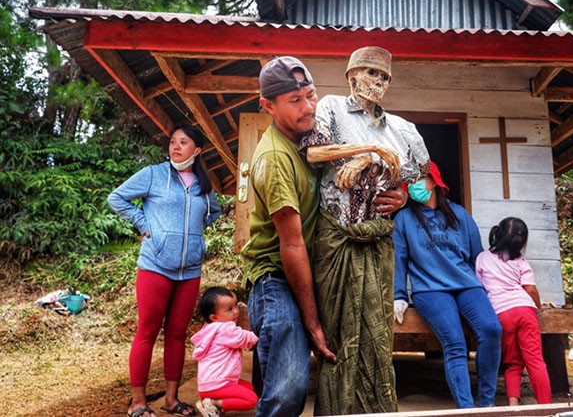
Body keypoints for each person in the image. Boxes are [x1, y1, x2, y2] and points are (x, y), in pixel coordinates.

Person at [240, 56, 407, 417]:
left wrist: (400, 194)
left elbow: (372, 180)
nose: (309, 106)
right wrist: (312, 323)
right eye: (295, 100)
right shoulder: (274, 159)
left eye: (311, 94)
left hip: (323, 265)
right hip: (277, 277)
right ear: (267, 106)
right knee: (289, 388)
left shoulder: (317, 136)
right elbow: (291, 244)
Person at [300, 45, 430, 415]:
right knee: (339, 335)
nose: (380, 82)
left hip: (377, 241)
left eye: (386, 76)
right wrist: (368, 150)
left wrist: (404, 196)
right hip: (338, 238)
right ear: (352, 74)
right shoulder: (332, 108)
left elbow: (422, 178)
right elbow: (313, 153)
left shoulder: (403, 129)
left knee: (376, 336)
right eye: (372, 73)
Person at [108, 125, 221, 417]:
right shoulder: (153, 175)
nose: (176, 147)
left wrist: (195, 236)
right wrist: (146, 227)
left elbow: (214, 211)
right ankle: (138, 402)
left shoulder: (202, 184)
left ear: (197, 151)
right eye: (173, 142)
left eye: (184, 142)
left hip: (190, 270)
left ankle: (171, 399)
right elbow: (117, 198)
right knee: (147, 331)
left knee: (177, 334)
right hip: (155, 265)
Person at [393, 162, 502, 409]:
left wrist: (491, 289)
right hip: (430, 290)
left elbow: (478, 256)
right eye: (409, 182)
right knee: (454, 342)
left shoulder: (459, 214)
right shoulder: (404, 219)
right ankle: (466, 409)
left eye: (418, 180)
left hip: (467, 285)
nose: (413, 186)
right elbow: (398, 258)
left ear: (433, 182)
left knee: (491, 329)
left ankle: (487, 405)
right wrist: (398, 294)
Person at [475, 217, 552, 405]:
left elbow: (480, 288)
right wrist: (539, 306)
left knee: (512, 362)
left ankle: (513, 404)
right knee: (535, 361)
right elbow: (531, 289)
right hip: (525, 311)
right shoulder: (521, 261)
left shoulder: (482, 258)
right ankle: (546, 405)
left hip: (501, 314)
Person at [191, 287, 259, 417]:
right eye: (229, 309)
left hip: (208, 386)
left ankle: (213, 406)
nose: (235, 312)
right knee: (251, 400)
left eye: (235, 306)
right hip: (218, 385)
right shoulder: (225, 328)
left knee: (249, 388)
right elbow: (245, 339)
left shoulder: (210, 328)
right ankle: (214, 403)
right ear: (214, 317)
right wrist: (261, 333)